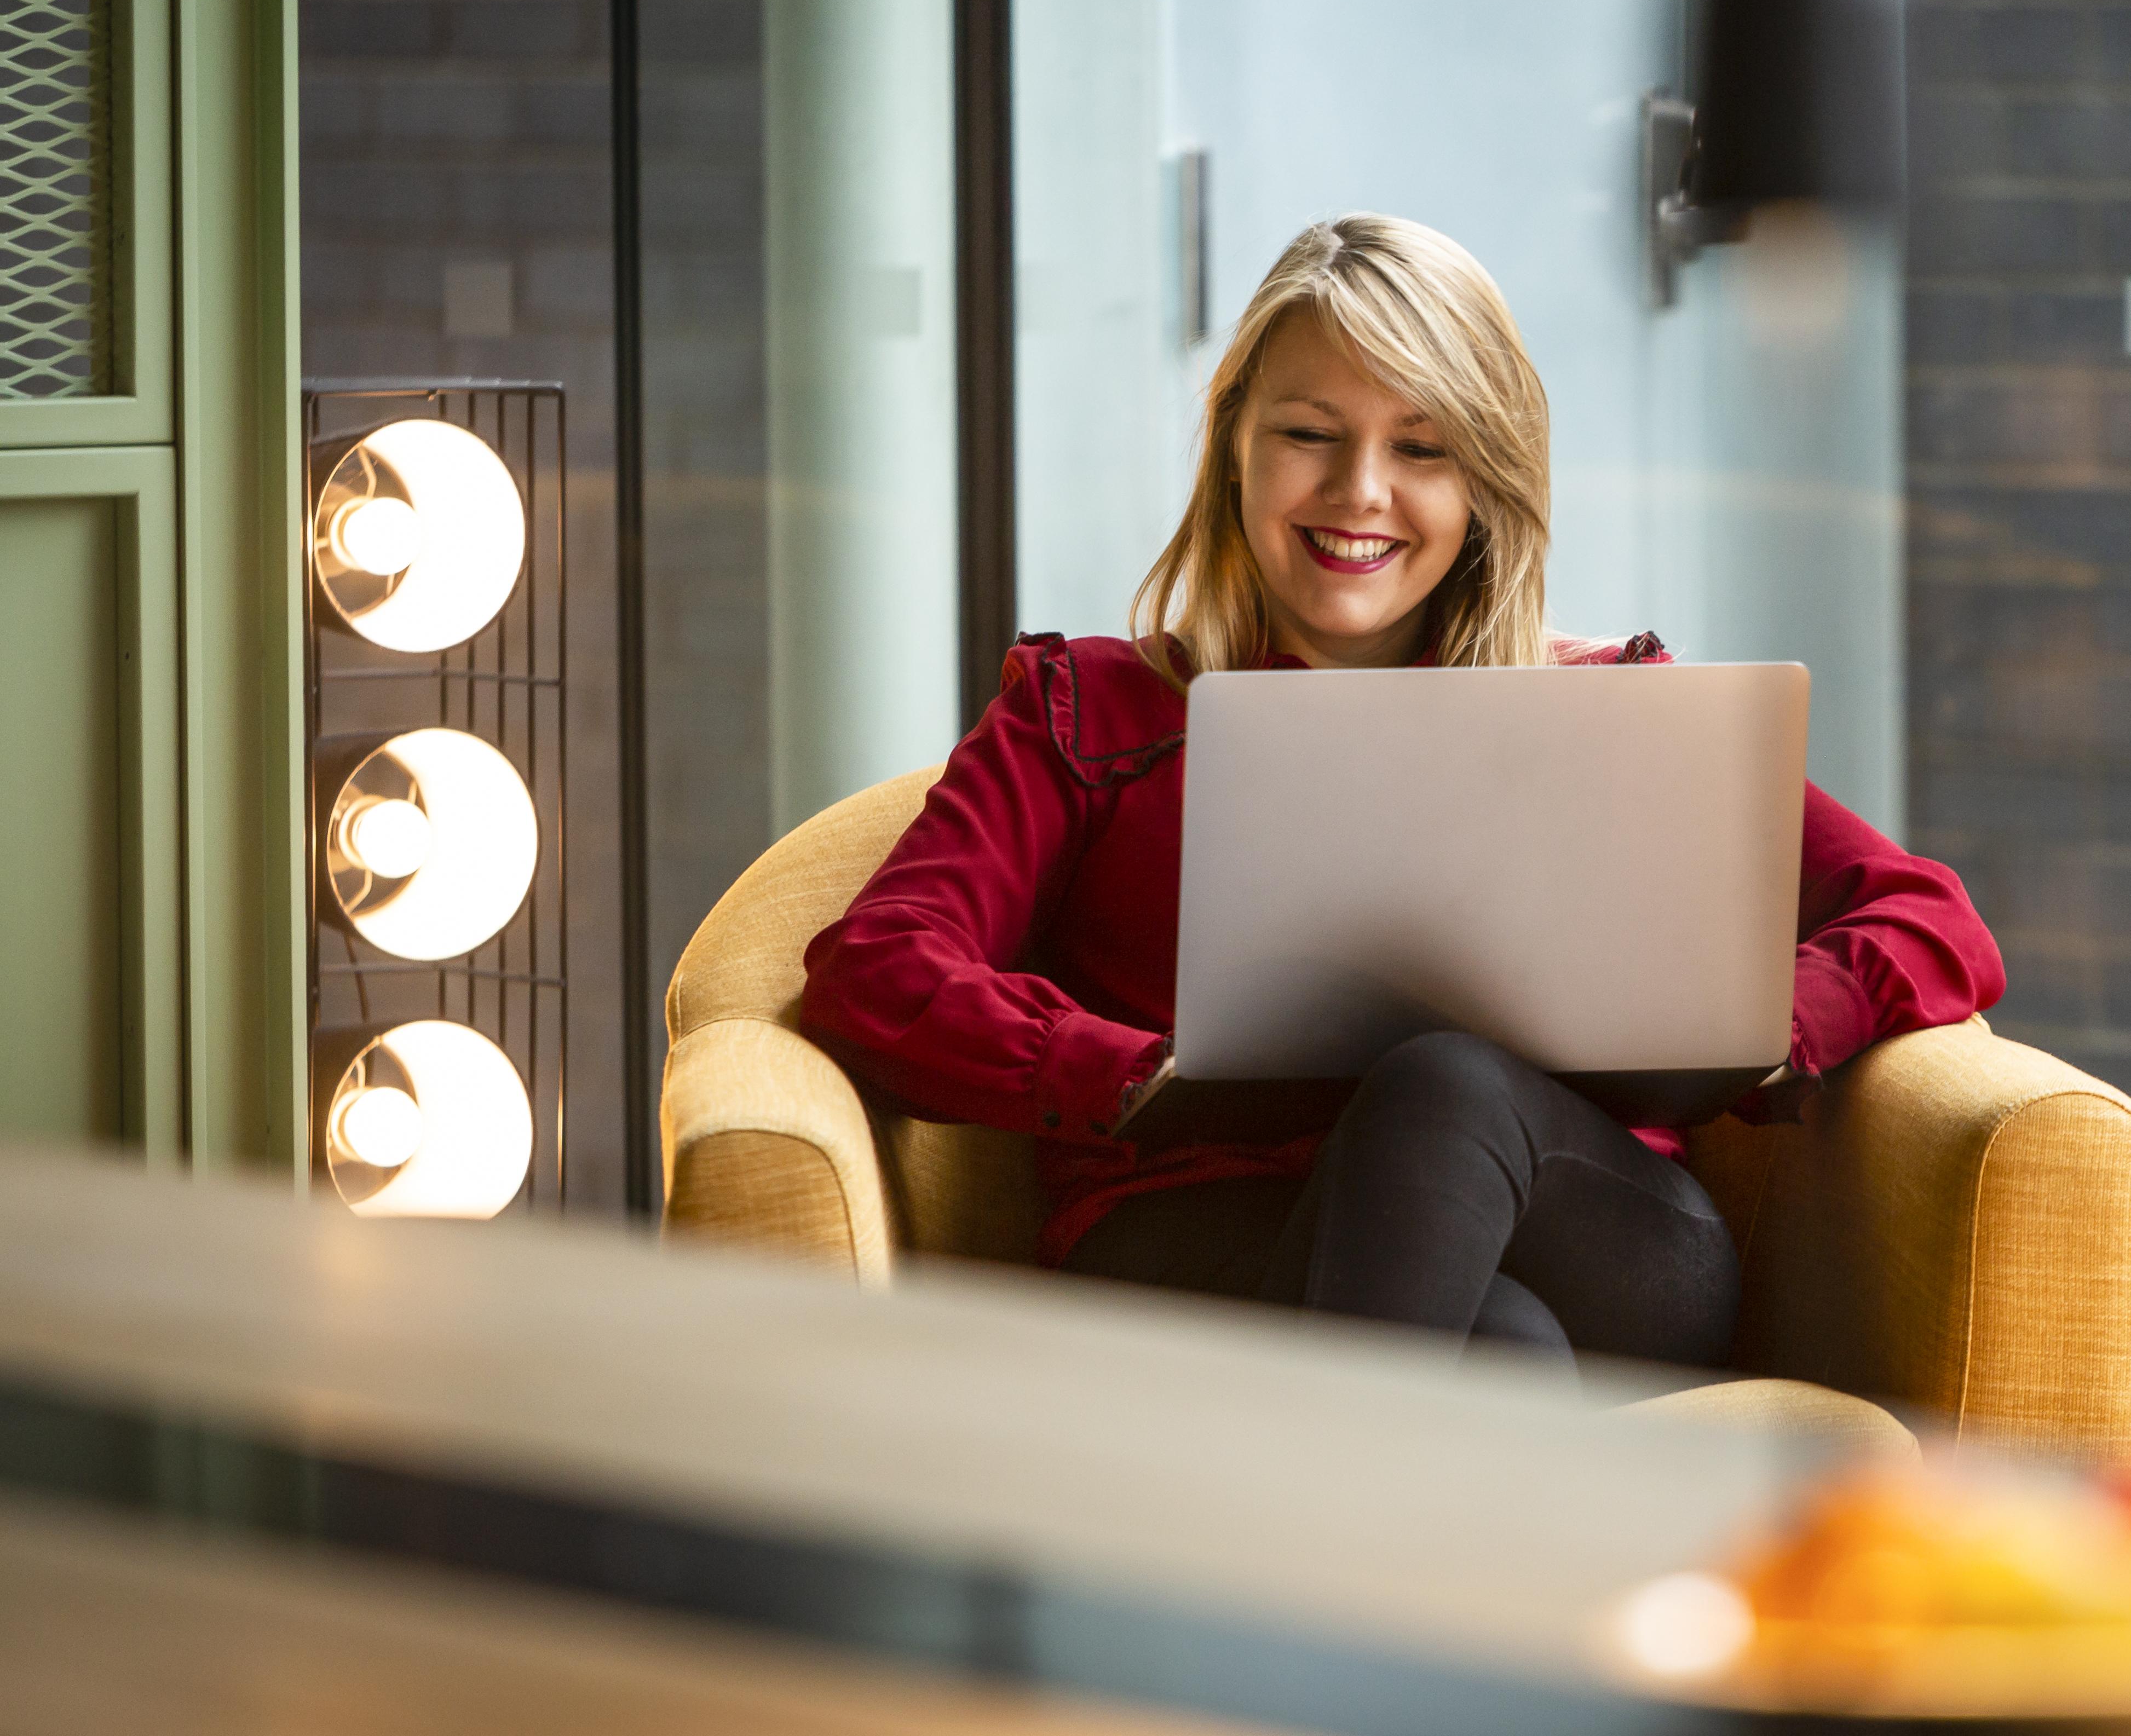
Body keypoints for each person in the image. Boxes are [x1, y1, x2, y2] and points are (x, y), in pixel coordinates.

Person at [801, 214, 2002, 1376]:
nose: (1360, 490)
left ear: (1486, 481)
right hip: (1203, 1233)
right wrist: (1132, 1078)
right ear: (1235, 446)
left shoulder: (1613, 715)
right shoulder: (1090, 711)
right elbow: (880, 966)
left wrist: (1753, 1031)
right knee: (1506, 1351)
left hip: (1597, 1235)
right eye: (1310, 435)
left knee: (1447, 1085)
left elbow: (1924, 913)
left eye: (1420, 449)